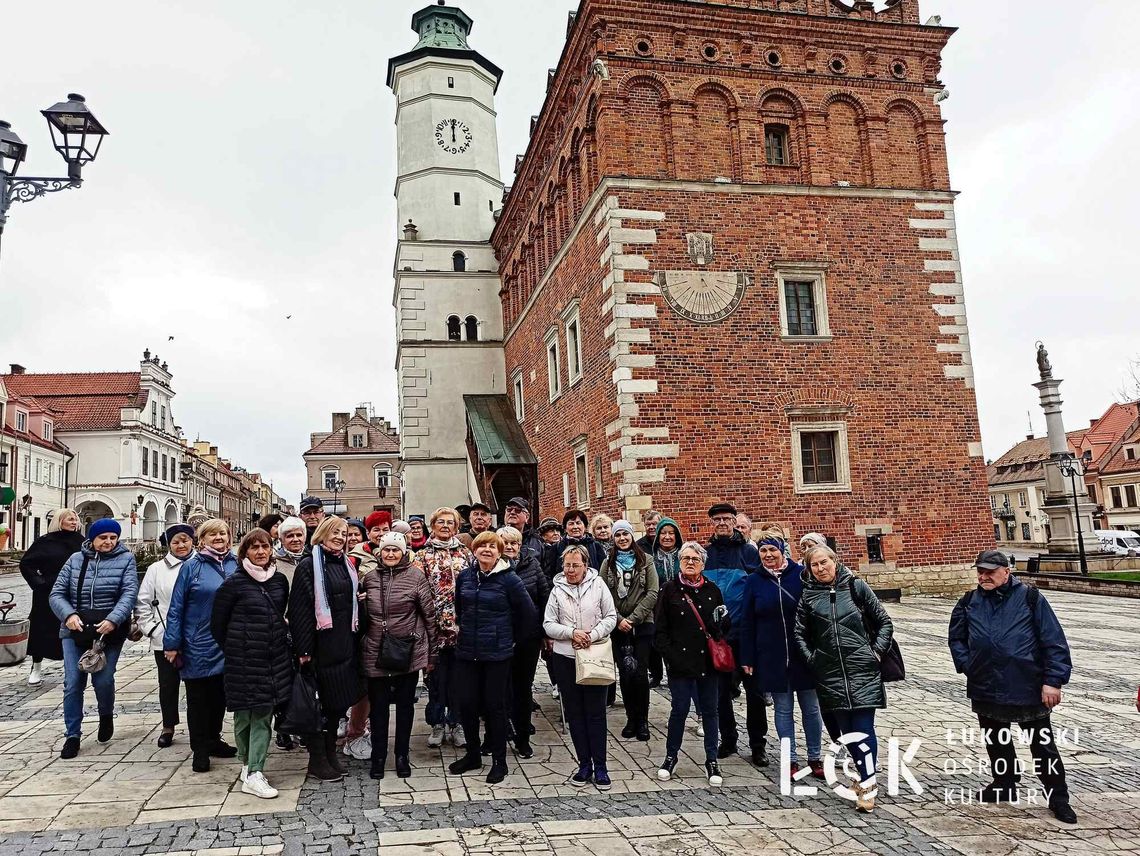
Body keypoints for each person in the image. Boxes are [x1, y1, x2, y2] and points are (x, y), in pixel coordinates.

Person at [948, 551, 1077, 824]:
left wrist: (1053, 681)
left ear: (1006, 572)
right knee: (996, 739)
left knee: (1042, 745)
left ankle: (1058, 797)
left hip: (1026, 683)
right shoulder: (968, 602)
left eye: (990, 572)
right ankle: (1004, 783)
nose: (983, 576)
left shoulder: (1030, 598)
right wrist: (968, 664)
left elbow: (1053, 641)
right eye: (980, 571)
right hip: (986, 683)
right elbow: (956, 637)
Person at [795, 544, 893, 813]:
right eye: (814, 565)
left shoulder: (856, 587)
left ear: (834, 560)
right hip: (829, 673)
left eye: (824, 562)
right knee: (846, 733)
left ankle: (868, 785)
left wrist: (875, 652)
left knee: (863, 728)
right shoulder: (808, 597)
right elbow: (800, 633)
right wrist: (813, 658)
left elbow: (884, 622)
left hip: (862, 669)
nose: (820, 568)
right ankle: (863, 776)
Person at [210, 529, 294, 800]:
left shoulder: (279, 581)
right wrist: (239, 646)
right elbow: (217, 625)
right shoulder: (233, 584)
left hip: (274, 659)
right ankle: (247, 766)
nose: (260, 552)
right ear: (244, 551)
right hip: (243, 660)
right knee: (243, 715)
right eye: (254, 547)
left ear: (271, 549)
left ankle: (256, 770)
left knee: (263, 714)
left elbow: (281, 614)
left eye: (265, 546)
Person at [448, 531, 537, 784]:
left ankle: (500, 761)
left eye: (492, 546)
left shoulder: (509, 580)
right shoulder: (466, 576)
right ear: (474, 550)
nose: (486, 550)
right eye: (481, 546)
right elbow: (460, 608)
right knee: (467, 704)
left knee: (494, 707)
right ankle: (473, 755)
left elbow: (528, 615)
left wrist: (509, 638)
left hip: (497, 654)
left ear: (500, 552)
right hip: (467, 651)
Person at [49, 518, 138, 759]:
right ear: (92, 538)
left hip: (107, 631)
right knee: (73, 682)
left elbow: (129, 592)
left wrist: (114, 619)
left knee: (103, 679)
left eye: (113, 537)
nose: (108, 542)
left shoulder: (126, 559)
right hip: (75, 631)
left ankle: (106, 714)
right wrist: (68, 615)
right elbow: (57, 593)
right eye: (103, 537)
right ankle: (72, 735)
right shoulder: (76, 560)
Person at [740, 533, 823, 775]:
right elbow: (747, 621)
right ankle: (790, 758)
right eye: (763, 551)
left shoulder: (800, 575)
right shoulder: (754, 581)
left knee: (811, 708)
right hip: (771, 655)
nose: (768, 555)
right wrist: (747, 657)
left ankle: (815, 757)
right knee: (783, 709)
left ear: (782, 551)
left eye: (772, 551)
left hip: (803, 653)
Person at [289, 516, 362, 782]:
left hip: (343, 645)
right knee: (318, 708)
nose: (341, 537)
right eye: (335, 532)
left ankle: (330, 753)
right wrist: (304, 650)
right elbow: (299, 611)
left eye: (344, 533)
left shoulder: (347, 564)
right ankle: (317, 759)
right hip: (319, 648)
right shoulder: (309, 565)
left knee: (335, 707)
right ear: (322, 533)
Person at [164, 519, 238, 773]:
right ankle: (200, 749)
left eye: (223, 533)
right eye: (212, 534)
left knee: (220, 697)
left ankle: (214, 739)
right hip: (198, 643)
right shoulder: (191, 567)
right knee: (198, 699)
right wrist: (172, 643)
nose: (219, 537)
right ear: (202, 540)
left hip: (228, 643)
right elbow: (176, 608)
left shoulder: (235, 564)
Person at [360, 531, 437, 779]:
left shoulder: (416, 577)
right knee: (379, 707)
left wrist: (431, 654)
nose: (391, 554)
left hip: (407, 649)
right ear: (379, 552)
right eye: (386, 550)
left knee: (405, 706)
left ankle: (402, 755)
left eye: (396, 550)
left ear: (404, 552)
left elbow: (429, 616)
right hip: (375, 649)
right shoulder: (369, 578)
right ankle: (379, 756)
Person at [544, 544, 618, 789]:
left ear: (586, 565)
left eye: (576, 565)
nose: (571, 570)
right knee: (575, 714)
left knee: (595, 714)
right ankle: (584, 764)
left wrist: (592, 634)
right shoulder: (557, 590)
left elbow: (610, 616)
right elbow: (548, 624)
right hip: (566, 657)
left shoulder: (598, 585)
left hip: (594, 654)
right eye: (567, 565)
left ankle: (601, 766)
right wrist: (571, 633)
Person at [654, 541, 727, 785]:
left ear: (703, 564)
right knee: (680, 710)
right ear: (679, 562)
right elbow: (660, 630)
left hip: (707, 662)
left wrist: (720, 625)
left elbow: (722, 627)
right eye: (685, 559)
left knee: (710, 711)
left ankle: (712, 759)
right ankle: (671, 756)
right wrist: (670, 657)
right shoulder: (669, 589)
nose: (690, 563)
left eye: (695, 559)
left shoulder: (713, 590)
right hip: (679, 662)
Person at [703, 502, 762, 762]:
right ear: (712, 524)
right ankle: (728, 740)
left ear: (734, 521)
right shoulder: (706, 554)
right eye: (717, 520)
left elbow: (758, 589)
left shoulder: (749, 552)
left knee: (755, 692)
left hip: (745, 634)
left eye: (727, 519)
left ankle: (758, 745)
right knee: (722, 694)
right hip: (719, 638)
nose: (722, 523)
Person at [412, 507, 473, 749]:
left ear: (457, 527)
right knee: (435, 678)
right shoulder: (422, 555)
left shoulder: (466, 554)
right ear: (433, 525)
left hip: (461, 626)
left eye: (451, 522)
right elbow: (416, 591)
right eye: (441, 522)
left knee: (459, 679)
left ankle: (456, 722)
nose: (446, 526)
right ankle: (437, 723)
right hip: (433, 627)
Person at [137, 523, 195, 748]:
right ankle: (168, 725)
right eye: (176, 541)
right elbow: (143, 603)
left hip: (196, 638)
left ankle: (200, 727)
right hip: (165, 637)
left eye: (185, 540)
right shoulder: (156, 569)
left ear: (192, 541)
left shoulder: (202, 565)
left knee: (198, 688)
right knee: (168, 685)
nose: (181, 545)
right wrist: (152, 630)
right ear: (169, 544)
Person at [599, 520, 658, 742]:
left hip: (642, 623)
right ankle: (631, 718)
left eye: (626, 534)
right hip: (617, 624)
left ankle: (642, 719)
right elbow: (604, 594)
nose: (622, 538)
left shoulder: (646, 561)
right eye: (618, 535)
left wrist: (633, 619)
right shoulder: (608, 563)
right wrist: (619, 619)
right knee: (625, 671)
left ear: (632, 536)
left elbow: (652, 592)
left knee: (640, 672)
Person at [498, 525, 550, 758]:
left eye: (514, 543)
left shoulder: (532, 564)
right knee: (501, 686)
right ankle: (501, 730)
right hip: (499, 636)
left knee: (523, 686)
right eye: (506, 543)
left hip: (527, 636)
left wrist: (544, 632)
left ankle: (523, 736)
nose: (510, 547)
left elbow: (543, 596)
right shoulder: (491, 566)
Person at [20, 508, 84, 686]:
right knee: (41, 630)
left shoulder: (81, 541)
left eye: (75, 519)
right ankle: (36, 667)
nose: (74, 522)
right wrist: (39, 583)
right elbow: (26, 564)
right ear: (59, 521)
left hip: (74, 593)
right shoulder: (44, 541)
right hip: (47, 592)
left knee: (73, 630)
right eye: (70, 519)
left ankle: (71, 668)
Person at [648, 516, 682, 689]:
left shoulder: (683, 557)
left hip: (680, 607)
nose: (667, 537)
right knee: (658, 641)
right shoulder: (651, 559)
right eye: (663, 533)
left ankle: (675, 673)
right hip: (658, 606)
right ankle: (656, 673)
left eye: (671, 533)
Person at [543, 510, 607, 580]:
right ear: (565, 528)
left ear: (585, 526)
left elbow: (603, 572)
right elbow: (550, 574)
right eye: (571, 524)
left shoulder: (595, 546)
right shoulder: (556, 548)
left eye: (578, 523)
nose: (575, 527)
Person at [273, 517, 307, 587]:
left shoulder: (313, 559)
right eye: (290, 536)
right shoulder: (274, 564)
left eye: (299, 535)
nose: (295, 539)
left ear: (305, 537)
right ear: (281, 540)